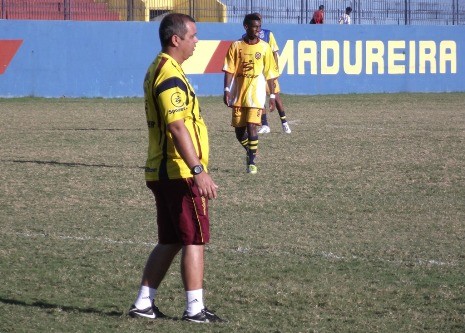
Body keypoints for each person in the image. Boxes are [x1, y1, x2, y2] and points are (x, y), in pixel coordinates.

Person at [128, 13, 223, 323]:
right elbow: (177, 127)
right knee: (195, 238)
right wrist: (198, 171)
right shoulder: (169, 73)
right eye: (193, 36)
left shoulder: (159, 68)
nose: (197, 42)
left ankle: (144, 303)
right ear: (176, 39)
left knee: (170, 239)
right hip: (179, 171)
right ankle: (195, 309)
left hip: (162, 170)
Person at [223, 13, 279, 174]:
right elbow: (228, 69)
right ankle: (250, 151)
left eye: (259, 27)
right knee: (239, 132)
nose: (258, 30)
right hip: (238, 93)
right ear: (246, 27)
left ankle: (252, 163)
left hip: (257, 93)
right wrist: (226, 90)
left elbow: (270, 74)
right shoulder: (236, 46)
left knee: (252, 126)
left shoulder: (265, 47)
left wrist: (273, 96)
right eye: (255, 27)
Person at [250, 12, 291, 135]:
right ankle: (265, 125)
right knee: (260, 99)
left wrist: (276, 70)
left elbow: (274, 52)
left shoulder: (268, 34)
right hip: (257, 73)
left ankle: (284, 123)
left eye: (259, 20)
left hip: (269, 72)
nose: (258, 23)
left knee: (276, 97)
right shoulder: (248, 36)